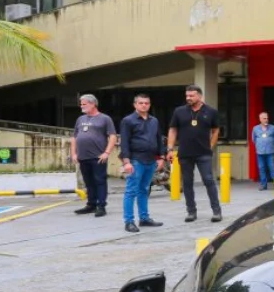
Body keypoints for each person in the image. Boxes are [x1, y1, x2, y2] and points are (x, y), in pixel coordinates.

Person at [167, 85, 222, 223]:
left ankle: (216, 211)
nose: (188, 98)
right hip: (185, 153)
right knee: (187, 183)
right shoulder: (179, 111)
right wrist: (170, 148)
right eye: (187, 96)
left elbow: (216, 130)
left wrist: (210, 145)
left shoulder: (211, 111)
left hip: (204, 153)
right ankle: (191, 211)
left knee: (208, 180)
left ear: (199, 96)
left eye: (191, 96)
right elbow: (173, 130)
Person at [118, 93, 165, 233]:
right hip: (135, 160)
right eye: (141, 103)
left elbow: (159, 139)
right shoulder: (128, 121)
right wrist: (126, 162)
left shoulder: (154, 121)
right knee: (131, 191)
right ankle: (129, 221)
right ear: (135, 105)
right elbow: (124, 142)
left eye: (146, 103)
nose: (144, 105)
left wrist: (161, 157)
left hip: (151, 160)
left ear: (149, 105)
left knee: (144, 190)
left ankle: (144, 218)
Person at [72, 94, 117, 217]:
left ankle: (101, 206)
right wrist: (74, 153)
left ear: (93, 104)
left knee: (100, 181)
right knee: (88, 182)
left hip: (98, 157)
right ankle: (91, 204)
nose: (82, 106)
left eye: (84, 104)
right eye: (81, 104)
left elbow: (112, 136)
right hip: (83, 157)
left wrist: (107, 152)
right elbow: (74, 137)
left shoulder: (105, 118)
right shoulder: (80, 119)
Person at [251, 112, 274, 190]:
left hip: (270, 151)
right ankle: (263, 185)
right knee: (261, 168)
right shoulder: (255, 128)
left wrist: (270, 143)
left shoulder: (273, 128)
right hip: (260, 152)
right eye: (264, 118)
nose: (266, 120)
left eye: (267, 118)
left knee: (272, 168)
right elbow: (253, 139)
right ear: (260, 119)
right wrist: (260, 144)